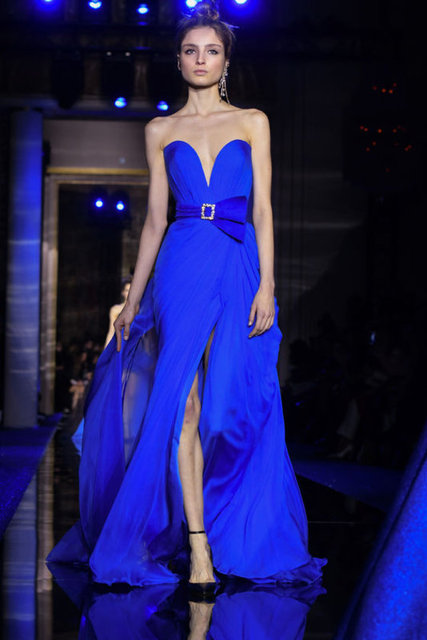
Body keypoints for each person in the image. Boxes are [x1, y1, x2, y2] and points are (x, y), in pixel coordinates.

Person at [47, 0, 327, 591]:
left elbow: (264, 209)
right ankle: (198, 548)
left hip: (238, 264)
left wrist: (269, 283)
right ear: (178, 60)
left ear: (226, 60)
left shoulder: (253, 121)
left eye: (212, 50)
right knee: (183, 404)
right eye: (191, 50)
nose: (201, 59)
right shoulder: (160, 130)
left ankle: (229, 524)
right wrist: (132, 299)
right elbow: (154, 221)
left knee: (231, 409)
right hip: (180, 266)